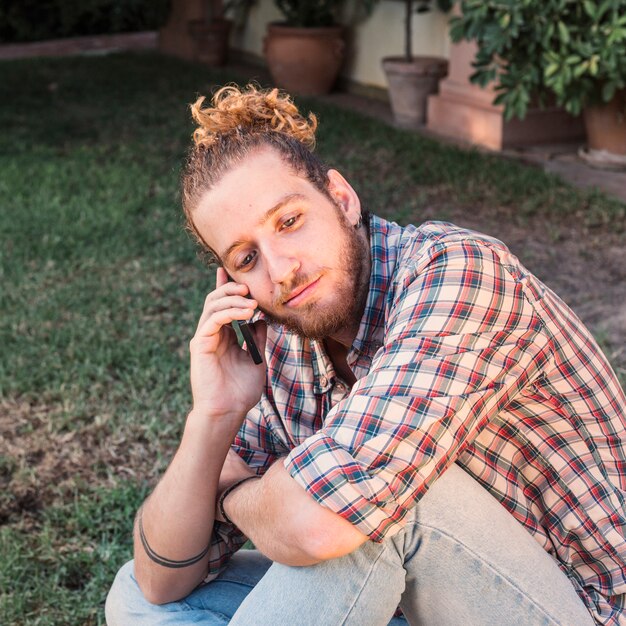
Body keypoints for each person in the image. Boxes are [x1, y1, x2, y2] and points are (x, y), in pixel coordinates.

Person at [105, 85, 626, 626]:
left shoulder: (458, 273)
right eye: (246, 257)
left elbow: (322, 524)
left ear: (342, 198)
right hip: (422, 601)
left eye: (289, 221)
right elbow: (160, 576)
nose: (281, 270)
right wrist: (212, 417)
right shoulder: (289, 338)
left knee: (372, 509)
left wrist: (235, 494)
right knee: (137, 596)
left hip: (579, 606)